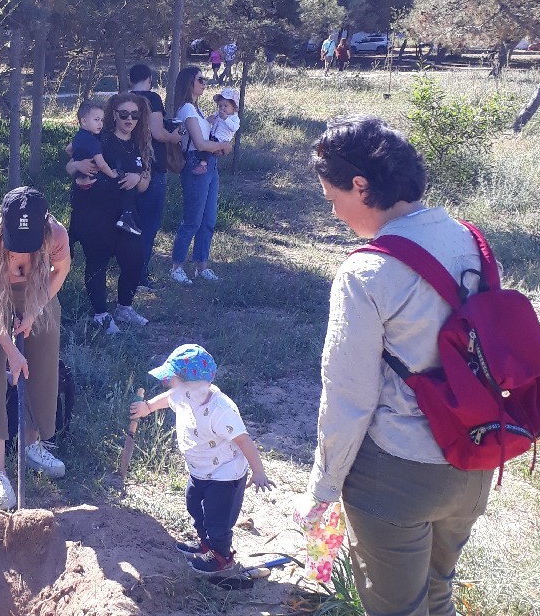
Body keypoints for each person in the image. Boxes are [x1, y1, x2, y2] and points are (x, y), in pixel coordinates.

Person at [300, 115, 493, 616]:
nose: (336, 213)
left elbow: (349, 396)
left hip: (398, 474)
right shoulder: (472, 240)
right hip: (474, 463)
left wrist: (322, 489)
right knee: (437, 594)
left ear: (360, 186)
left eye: (333, 198)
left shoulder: (367, 271)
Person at [0, 187, 72, 511]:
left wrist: (35, 310)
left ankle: (32, 444)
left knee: (41, 365)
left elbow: (61, 271)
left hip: (36, 294)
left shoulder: (56, 235)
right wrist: (10, 352)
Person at [131, 343, 273, 575]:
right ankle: (205, 544)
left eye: (173, 380)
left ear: (194, 385)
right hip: (199, 470)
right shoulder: (182, 396)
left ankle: (221, 557)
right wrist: (147, 407)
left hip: (225, 475)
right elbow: (167, 399)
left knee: (218, 518)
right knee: (194, 505)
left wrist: (258, 472)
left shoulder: (220, 410)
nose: (168, 385)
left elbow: (244, 441)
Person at [65, 93, 152, 334]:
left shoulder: (139, 142)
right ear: (113, 114)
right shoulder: (99, 136)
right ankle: (101, 314)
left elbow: (145, 183)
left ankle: (124, 307)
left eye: (135, 115)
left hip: (127, 214)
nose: (129, 119)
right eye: (124, 114)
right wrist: (76, 166)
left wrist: (139, 177)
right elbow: (70, 159)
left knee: (134, 261)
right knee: (97, 262)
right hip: (95, 212)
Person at [169, 67, 233, 285]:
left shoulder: (197, 109)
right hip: (196, 163)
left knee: (208, 219)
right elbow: (200, 143)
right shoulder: (187, 109)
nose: (204, 83)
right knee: (193, 219)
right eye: (200, 79)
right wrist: (223, 145)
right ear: (189, 83)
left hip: (210, 164)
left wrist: (219, 146)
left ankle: (201, 266)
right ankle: (177, 266)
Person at [128, 63, 183, 292]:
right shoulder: (152, 99)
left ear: (131, 80)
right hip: (153, 168)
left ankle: (127, 270)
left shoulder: (124, 99)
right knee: (149, 225)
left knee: (131, 222)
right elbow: (158, 134)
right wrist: (176, 136)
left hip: (129, 167)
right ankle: (141, 275)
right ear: (149, 79)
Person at [71, 98, 142, 235]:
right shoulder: (94, 141)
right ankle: (126, 216)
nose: (100, 124)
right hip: (94, 185)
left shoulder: (79, 137)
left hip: (82, 180)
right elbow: (102, 164)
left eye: (101, 120)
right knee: (121, 177)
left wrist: (77, 162)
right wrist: (112, 173)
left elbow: (69, 150)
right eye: (96, 120)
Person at [189, 87, 240, 175]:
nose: (222, 108)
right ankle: (201, 160)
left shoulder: (234, 118)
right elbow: (214, 122)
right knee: (205, 144)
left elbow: (234, 128)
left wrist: (226, 119)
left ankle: (203, 164)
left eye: (226, 106)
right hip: (212, 134)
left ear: (234, 107)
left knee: (209, 148)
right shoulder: (218, 114)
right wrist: (210, 120)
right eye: (220, 106)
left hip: (221, 138)